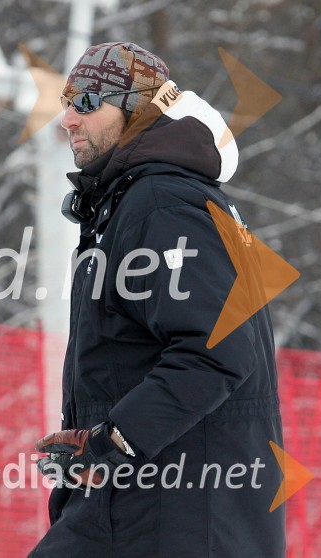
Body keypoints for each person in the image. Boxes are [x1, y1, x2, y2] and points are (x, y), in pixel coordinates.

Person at [28, 42, 285, 557]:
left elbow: (217, 351)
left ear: (134, 110)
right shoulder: (146, 200)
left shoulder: (163, 203)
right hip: (147, 508)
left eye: (85, 103)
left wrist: (115, 442)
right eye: (66, 101)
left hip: (171, 517)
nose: (66, 120)